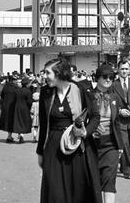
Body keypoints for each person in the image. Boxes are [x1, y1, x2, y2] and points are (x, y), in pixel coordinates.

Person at [37, 57, 101, 203]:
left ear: (59, 73)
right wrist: (40, 152)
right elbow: (43, 124)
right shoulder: (46, 92)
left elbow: (95, 116)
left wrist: (86, 132)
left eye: (47, 73)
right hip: (53, 147)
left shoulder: (80, 89)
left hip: (76, 146)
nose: (44, 76)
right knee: (54, 192)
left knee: (77, 191)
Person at [93, 63, 122, 203]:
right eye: (105, 76)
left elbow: (116, 123)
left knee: (110, 181)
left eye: (111, 77)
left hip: (111, 145)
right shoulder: (88, 96)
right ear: (97, 78)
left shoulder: (114, 97)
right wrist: (91, 127)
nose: (108, 79)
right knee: (94, 182)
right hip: (92, 145)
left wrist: (120, 146)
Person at [111, 59, 130, 180]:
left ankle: (123, 163)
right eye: (122, 69)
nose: (124, 71)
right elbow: (110, 102)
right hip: (119, 120)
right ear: (118, 70)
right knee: (125, 144)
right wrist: (119, 110)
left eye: (126, 69)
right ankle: (128, 170)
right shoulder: (113, 85)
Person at [0, 73, 18, 143]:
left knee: (7, 122)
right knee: (13, 121)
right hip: (13, 106)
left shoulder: (5, 86)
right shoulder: (16, 87)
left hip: (6, 106)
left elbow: (2, 95)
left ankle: (9, 136)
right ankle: (13, 136)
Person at [14, 77, 33, 143]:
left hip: (17, 107)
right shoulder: (28, 91)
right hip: (25, 108)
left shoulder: (17, 91)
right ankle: (22, 134)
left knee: (19, 121)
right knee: (24, 121)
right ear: (27, 84)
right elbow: (29, 101)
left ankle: (20, 134)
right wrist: (30, 107)